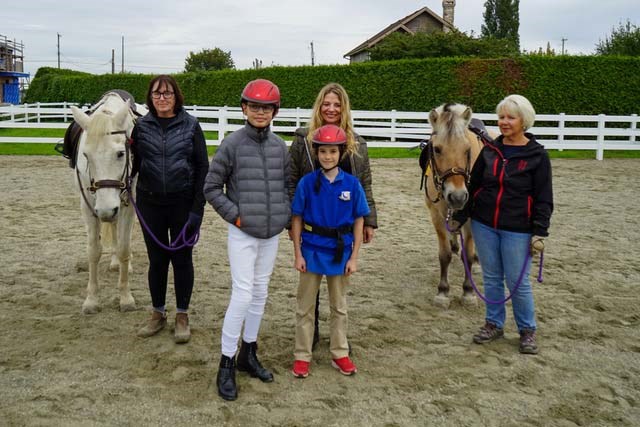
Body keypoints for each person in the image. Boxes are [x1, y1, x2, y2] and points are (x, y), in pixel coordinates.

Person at [204, 79, 290, 401]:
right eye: (254, 106)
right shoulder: (231, 144)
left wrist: (283, 213)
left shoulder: (280, 147)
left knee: (260, 292)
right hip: (242, 232)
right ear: (244, 108)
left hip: (270, 234)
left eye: (266, 107)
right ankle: (226, 360)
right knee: (241, 293)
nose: (260, 112)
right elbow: (211, 187)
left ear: (274, 112)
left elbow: (288, 187)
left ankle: (248, 352)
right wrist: (236, 216)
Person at [453, 94, 553, 355]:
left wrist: (539, 231)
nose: (504, 122)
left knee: (518, 283)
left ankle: (527, 330)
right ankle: (494, 323)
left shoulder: (537, 156)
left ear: (524, 120)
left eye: (511, 117)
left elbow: (544, 197)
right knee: (492, 277)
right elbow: (475, 187)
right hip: (485, 225)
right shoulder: (490, 151)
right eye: (501, 117)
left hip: (518, 229)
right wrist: (462, 216)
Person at [288, 82, 378, 350]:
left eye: (337, 104)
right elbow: (292, 180)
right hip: (311, 222)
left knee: (338, 287)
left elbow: (365, 182)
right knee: (309, 282)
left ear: (344, 108)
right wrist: (291, 223)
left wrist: (369, 219)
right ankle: (310, 333)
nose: (331, 108)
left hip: (342, 224)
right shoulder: (303, 140)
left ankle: (339, 341)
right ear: (319, 105)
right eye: (326, 103)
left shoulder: (357, 143)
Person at [133, 75, 209, 344]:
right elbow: (134, 164)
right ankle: (157, 312)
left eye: (167, 93)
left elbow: (202, 167)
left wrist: (197, 208)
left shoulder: (190, 126)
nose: (162, 98)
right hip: (149, 202)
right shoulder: (140, 127)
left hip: (182, 202)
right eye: (156, 94)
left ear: (176, 96)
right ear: (150, 98)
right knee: (156, 260)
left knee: (181, 259)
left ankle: (182, 314)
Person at [291, 124, 370, 378]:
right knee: (304, 307)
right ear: (316, 153)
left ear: (341, 153)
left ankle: (339, 353)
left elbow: (359, 220)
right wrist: (298, 254)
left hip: (340, 254)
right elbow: (297, 219)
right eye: (323, 151)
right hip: (312, 252)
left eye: (333, 152)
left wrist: (355, 257)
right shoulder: (306, 183)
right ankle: (302, 355)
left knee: (339, 307)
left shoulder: (352, 185)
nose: (328, 156)